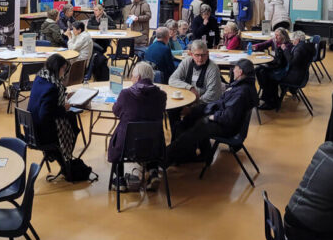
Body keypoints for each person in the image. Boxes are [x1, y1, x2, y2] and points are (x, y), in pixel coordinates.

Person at [166, 58, 258, 164]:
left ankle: (166, 158)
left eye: (235, 69)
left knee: (196, 126)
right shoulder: (244, 85)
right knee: (193, 114)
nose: (233, 71)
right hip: (226, 119)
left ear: (240, 72)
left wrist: (212, 116)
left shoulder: (241, 93)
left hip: (227, 126)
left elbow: (228, 116)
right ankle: (185, 154)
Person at [107, 62, 167, 192]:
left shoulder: (125, 94)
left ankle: (120, 179)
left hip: (127, 147)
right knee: (149, 130)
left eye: (133, 77)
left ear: (138, 77)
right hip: (154, 145)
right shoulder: (161, 96)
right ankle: (153, 172)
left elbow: (116, 111)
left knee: (118, 137)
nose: (132, 79)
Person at [27, 53, 79, 164]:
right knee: (73, 122)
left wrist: (64, 96)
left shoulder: (40, 77)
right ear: (57, 68)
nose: (64, 73)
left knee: (71, 118)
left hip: (30, 127)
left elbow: (45, 100)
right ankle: (62, 158)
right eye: (63, 69)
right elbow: (46, 114)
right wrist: (63, 108)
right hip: (41, 133)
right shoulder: (53, 87)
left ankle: (57, 155)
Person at [258, 31, 315, 110]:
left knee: (268, 76)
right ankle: (269, 98)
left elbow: (291, 62)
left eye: (294, 40)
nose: (292, 42)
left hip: (294, 77)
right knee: (268, 73)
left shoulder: (299, 49)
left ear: (297, 40)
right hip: (301, 75)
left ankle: (271, 102)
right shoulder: (306, 46)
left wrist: (285, 49)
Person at [168, 40, 223, 106]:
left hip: (203, 104)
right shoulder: (186, 62)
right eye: (197, 55)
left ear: (207, 53)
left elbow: (212, 95)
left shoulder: (213, 68)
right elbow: (172, 80)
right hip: (186, 100)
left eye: (203, 55)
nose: (200, 58)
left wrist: (194, 105)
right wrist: (190, 88)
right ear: (191, 54)